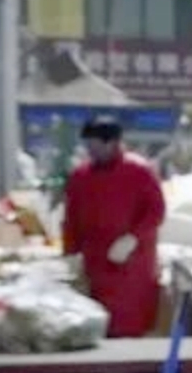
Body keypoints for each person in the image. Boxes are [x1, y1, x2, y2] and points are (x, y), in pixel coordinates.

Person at [61, 117, 166, 337]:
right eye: (88, 145)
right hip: (95, 262)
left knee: (129, 323)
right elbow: (71, 218)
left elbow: (156, 211)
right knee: (97, 323)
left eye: (96, 145)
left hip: (132, 264)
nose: (91, 151)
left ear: (113, 143)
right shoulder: (81, 176)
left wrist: (133, 238)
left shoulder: (139, 171)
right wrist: (70, 253)